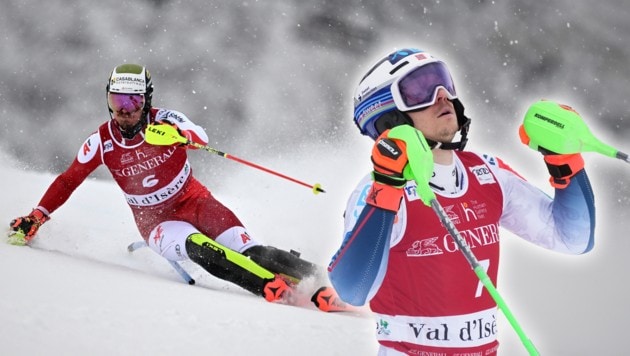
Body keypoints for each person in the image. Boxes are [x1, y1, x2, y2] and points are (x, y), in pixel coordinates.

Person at [8, 63, 346, 312]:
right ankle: (273, 289)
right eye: (117, 103)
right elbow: (69, 179)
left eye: (133, 103)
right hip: (156, 223)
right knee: (203, 249)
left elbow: (201, 136)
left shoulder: (167, 119)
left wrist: (182, 137)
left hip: (194, 200)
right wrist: (38, 215)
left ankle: (334, 283)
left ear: (147, 100)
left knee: (252, 250)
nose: (124, 113)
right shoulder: (101, 141)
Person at [327, 48, 595, 355]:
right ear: (390, 117)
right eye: (419, 90)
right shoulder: (375, 189)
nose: (441, 96)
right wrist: (387, 188)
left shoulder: (488, 173)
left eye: (443, 82)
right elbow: (353, 289)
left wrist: (565, 163)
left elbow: (572, 238)